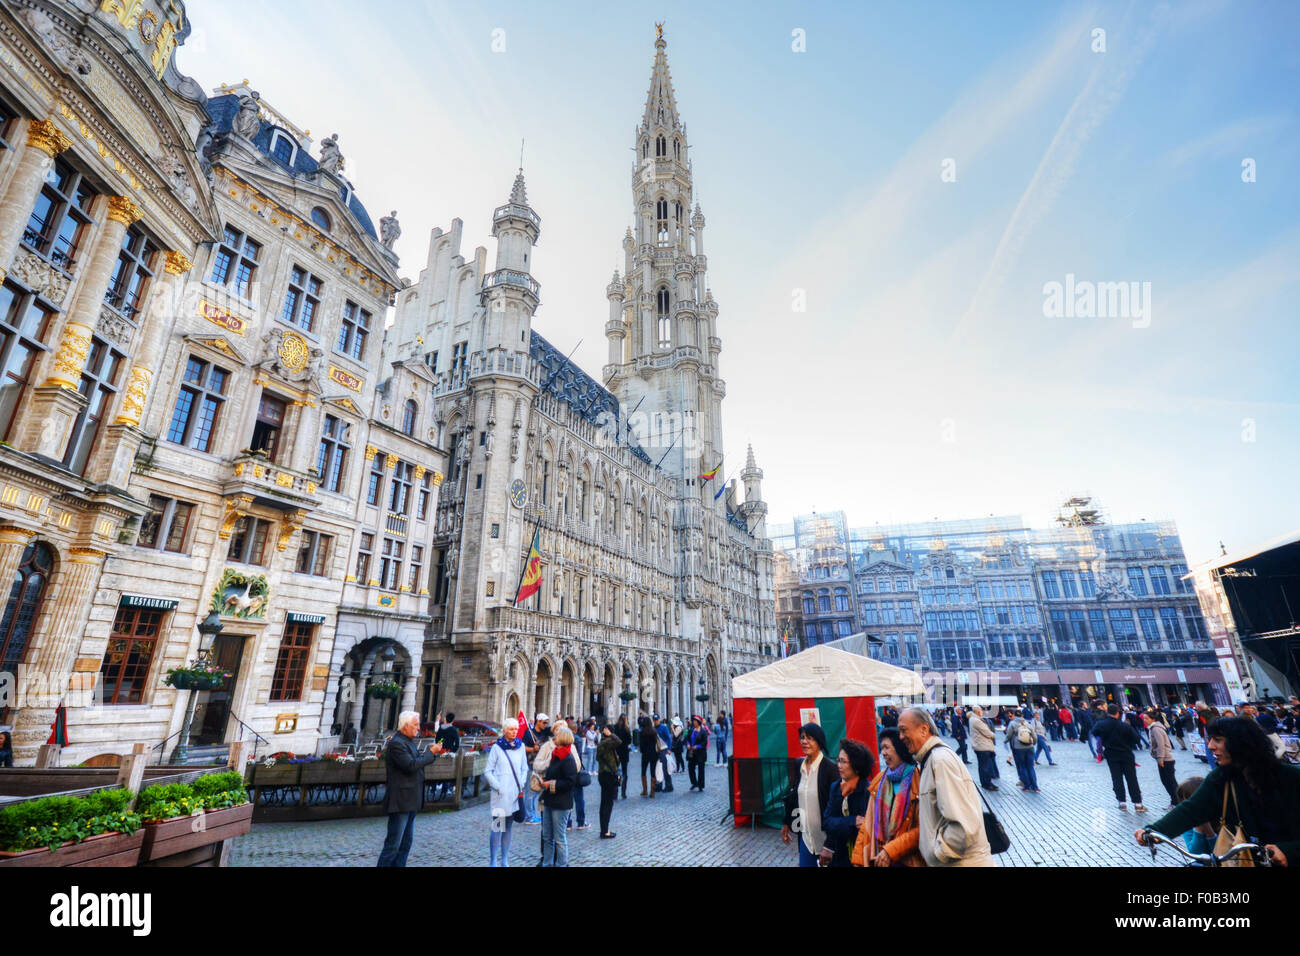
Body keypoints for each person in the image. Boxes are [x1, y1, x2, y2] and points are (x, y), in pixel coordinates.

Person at [1135, 717, 1300, 866]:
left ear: (1241, 744)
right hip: (1251, 861)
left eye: (1218, 740)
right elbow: (1191, 809)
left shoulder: (1289, 777)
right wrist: (1155, 831)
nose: (1210, 746)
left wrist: (1288, 850)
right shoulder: (1221, 778)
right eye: (1210, 739)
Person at [897, 706, 993, 866]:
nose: (900, 737)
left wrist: (938, 855)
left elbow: (963, 825)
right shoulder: (931, 760)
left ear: (923, 729)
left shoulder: (940, 761)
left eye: (903, 730)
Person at [377, 711, 443, 866]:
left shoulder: (408, 742)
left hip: (411, 800)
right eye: (415, 724)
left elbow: (417, 762)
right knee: (393, 845)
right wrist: (430, 753)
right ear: (405, 726)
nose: (418, 728)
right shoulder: (397, 743)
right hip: (401, 801)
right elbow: (411, 765)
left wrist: (431, 754)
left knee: (405, 844)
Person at [854, 728, 923, 867]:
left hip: (907, 860)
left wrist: (890, 850)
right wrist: (859, 859)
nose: (883, 753)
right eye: (881, 748)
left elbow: (923, 829)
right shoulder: (880, 780)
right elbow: (868, 824)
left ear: (899, 748)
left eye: (887, 747)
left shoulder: (918, 781)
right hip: (880, 859)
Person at [781, 723, 838, 867]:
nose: (804, 741)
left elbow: (836, 809)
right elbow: (795, 797)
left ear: (819, 741)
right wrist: (787, 822)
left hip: (826, 842)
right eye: (802, 738)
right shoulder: (799, 765)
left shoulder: (830, 769)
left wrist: (830, 844)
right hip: (806, 839)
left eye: (810, 738)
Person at [483, 717, 529, 867]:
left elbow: (524, 768)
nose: (514, 732)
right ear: (504, 731)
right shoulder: (497, 748)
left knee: (508, 827)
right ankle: (493, 860)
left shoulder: (520, 746)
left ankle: (505, 860)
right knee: (497, 826)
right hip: (500, 794)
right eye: (511, 729)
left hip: (515, 793)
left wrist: (521, 782)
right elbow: (488, 771)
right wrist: (498, 786)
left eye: (516, 729)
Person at [821, 738, 874, 867]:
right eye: (838, 760)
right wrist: (851, 821)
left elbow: (864, 829)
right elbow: (827, 822)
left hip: (861, 857)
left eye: (843, 762)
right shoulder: (836, 787)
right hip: (839, 857)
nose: (839, 765)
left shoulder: (868, 791)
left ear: (856, 766)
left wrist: (840, 825)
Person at [538, 725, 578, 866]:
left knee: (559, 838)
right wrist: (544, 781)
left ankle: (562, 864)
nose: (554, 737)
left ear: (562, 738)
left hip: (561, 803)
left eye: (557, 735)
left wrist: (551, 784)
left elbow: (570, 782)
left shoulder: (568, 758)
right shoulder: (555, 754)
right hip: (549, 800)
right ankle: (547, 863)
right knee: (547, 836)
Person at [1094, 703, 1145, 812]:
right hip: (1126, 754)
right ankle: (1138, 804)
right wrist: (1128, 743)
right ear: (1117, 713)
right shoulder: (1125, 725)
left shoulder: (1101, 724)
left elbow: (1095, 734)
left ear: (1108, 712)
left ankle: (1122, 802)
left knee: (1117, 778)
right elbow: (1136, 739)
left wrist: (1103, 746)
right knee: (1132, 779)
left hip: (1111, 755)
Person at [1145, 713, 1179, 808]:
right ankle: (1175, 801)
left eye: (1146, 718)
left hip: (1165, 759)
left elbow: (1161, 744)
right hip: (1164, 758)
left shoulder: (1156, 729)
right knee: (1167, 781)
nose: (1144, 720)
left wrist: (1160, 758)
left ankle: (1177, 802)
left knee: (1169, 782)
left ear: (1153, 719)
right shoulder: (1153, 728)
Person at [521, 713, 549, 823]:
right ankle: (529, 817)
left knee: (538, 790)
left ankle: (533, 813)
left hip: (541, 765)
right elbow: (522, 747)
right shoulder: (528, 733)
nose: (546, 725)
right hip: (530, 765)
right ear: (538, 721)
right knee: (530, 791)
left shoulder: (545, 731)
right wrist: (533, 749)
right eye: (544, 723)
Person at [1005, 709, 1041, 793]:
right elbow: (1034, 736)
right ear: (1022, 716)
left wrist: (1005, 741)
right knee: (1030, 767)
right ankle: (1035, 786)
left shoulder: (1013, 724)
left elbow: (1009, 735)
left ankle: (1027, 786)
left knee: (1022, 766)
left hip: (1019, 748)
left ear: (1015, 716)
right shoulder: (1028, 724)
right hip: (1030, 747)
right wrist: (1033, 743)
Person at [596, 723, 620, 839]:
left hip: (604, 775)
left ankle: (604, 829)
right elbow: (618, 741)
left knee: (605, 802)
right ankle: (605, 831)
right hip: (608, 775)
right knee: (607, 803)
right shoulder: (606, 743)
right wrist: (611, 734)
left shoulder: (603, 742)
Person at [969, 705, 999, 791]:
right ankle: (987, 784)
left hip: (979, 746)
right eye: (981, 710)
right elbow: (987, 732)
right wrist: (993, 735)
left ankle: (985, 783)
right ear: (978, 711)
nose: (982, 712)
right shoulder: (977, 720)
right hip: (983, 746)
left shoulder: (972, 719)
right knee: (985, 766)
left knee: (982, 766)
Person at [638, 716, 659, 798]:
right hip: (654, 754)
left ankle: (645, 790)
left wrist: (643, 751)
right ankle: (652, 791)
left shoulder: (642, 732)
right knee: (653, 771)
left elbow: (642, 746)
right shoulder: (654, 731)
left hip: (645, 754)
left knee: (643, 771)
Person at [686, 715, 709, 791]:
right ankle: (694, 782)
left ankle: (700, 785)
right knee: (690, 768)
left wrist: (697, 746)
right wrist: (688, 744)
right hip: (692, 753)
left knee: (701, 769)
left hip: (700, 753)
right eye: (693, 721)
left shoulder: (703, 731)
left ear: (698, 722)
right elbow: (687, 739)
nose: (694, 722)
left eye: (695, 721)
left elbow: (704, 743)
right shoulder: (691, 730)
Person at [613, 714, 632, 798]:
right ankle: (623, 793)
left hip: (617, 751)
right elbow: (629, 741)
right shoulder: (627, 729)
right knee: (624, 773)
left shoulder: (615, 727)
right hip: (624, 752)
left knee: (616, 772)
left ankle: (615, 792)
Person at [654, 714, 674, 792]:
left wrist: (669, 749)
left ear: (659, 720)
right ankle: (659, 785)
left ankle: (669, 785)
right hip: (657, 750)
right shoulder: (654, 728)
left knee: (665, 768)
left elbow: (668, 738)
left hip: (664, 749)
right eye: (655, 720)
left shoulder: (664, 727)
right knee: (658, 768)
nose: (656, 722)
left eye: (657, 720)